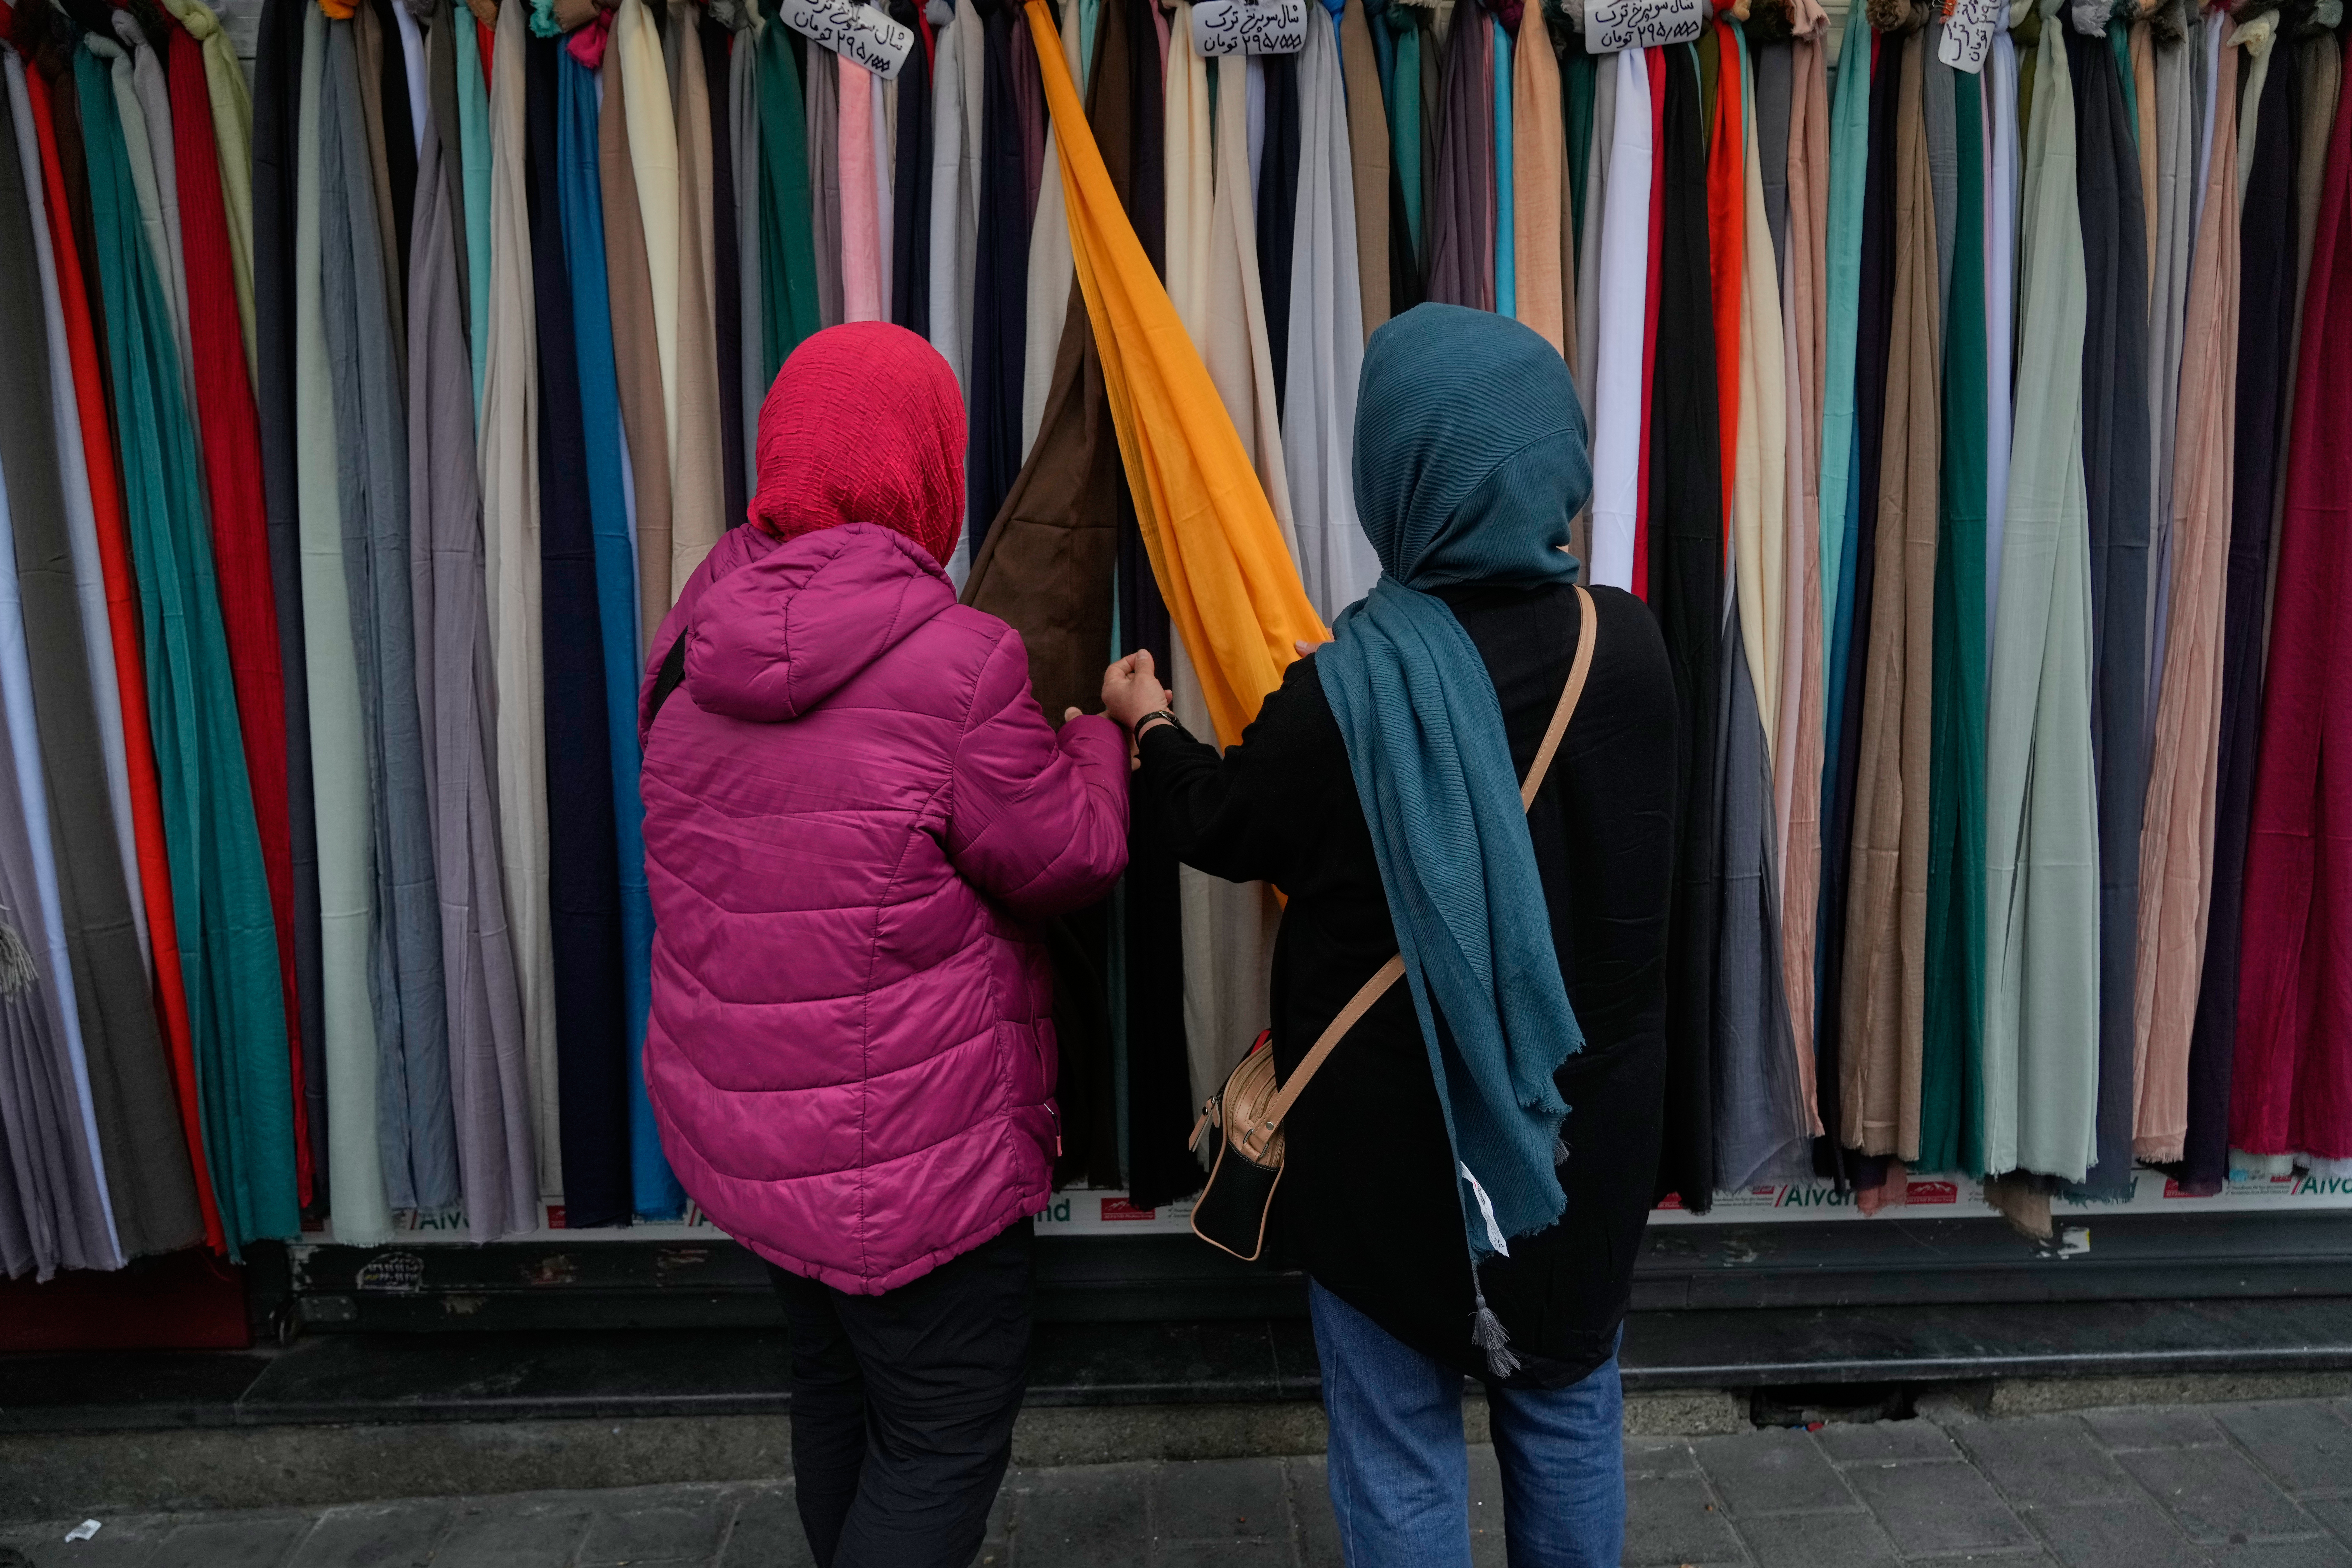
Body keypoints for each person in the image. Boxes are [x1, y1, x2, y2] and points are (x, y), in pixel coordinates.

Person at [1108, 305, 1680, 1568]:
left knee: (1399, 1444)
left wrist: (1147, 724)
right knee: (1570, 1403)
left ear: (1396, 476)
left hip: (1393, 1151)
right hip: (1584, 1132)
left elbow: (1219, 821)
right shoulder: (1632, 651)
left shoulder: (1348, 694)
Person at [637, 322, 1131, 1568]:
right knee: (944, 1433)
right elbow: (1067, 854)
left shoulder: (694, 635)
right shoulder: (957, 664)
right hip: (916, 1168)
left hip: (759, 1147)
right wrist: (1105, 736)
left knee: (835, 1390)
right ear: (931, 470)